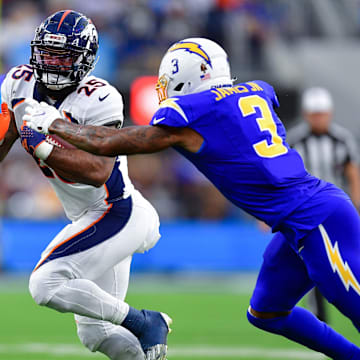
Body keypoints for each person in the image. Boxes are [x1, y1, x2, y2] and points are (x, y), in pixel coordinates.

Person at [23, 37, 360, 359]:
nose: (164, 87)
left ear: (188, 76)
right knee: (267, 312)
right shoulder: (253, 93)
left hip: (315, 219)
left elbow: (109, 143)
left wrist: (56, 124)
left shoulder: (198, 113)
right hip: (296, 220)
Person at [0, 10, 172, 360]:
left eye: (63, 56)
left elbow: (98, 170)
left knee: (45, 283)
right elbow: (6, 139)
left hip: (117, 210)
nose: (52, 63)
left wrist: (45, 146)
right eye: (47, 53)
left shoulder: (101, 96)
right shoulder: (17, 82)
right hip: (86, 216)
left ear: (85, 60)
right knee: (97, 333)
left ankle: (146, 322)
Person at [287, 87, 360, 323]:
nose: (319, 118)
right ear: (306, 114)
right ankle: (318, 315)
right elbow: (283, 176)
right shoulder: (296, 139)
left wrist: (356, 204)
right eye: (314, 114)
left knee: (348, 259)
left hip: (338, 210)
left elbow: (352, 173)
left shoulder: (342, 139)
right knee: (315, 262)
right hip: (305, 212)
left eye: (322, 113)